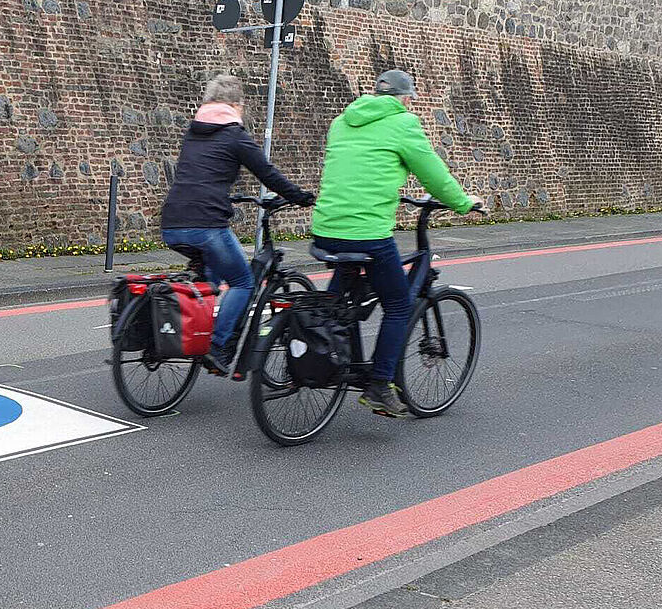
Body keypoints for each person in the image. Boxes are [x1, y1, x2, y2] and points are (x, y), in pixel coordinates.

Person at [311, 69, 482, 417]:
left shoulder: (342, 121)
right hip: (367, 231)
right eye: (409, 99)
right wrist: (464, 202)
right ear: (405, 99)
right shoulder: (403, 124)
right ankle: (378, 385)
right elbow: (432, 173)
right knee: (399, 304)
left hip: (326, 227)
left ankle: (322, 342)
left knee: (339, 301)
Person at [161, 74, 315, 374]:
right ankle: (218, 346)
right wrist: (299, 196)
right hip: (206, 225)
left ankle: (193, 331)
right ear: (235, 104)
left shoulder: (193, 132)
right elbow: (267, 174)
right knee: (243, 281)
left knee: (211, 280)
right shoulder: (234, 135)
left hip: (171, 223)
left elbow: (199, 176)